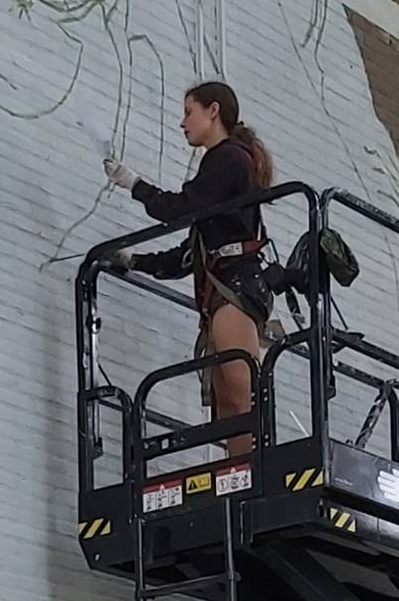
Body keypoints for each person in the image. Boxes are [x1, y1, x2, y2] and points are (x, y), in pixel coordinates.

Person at [103, 81, 274, 428]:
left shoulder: (227, 157)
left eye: (188, 112)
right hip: (227, 287)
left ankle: (246, 473)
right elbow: (189, 254)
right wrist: (137, 262)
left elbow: (182, 209)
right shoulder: (227, 164)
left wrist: (135, 185)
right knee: (228, 401)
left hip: (234, 289)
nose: (183, 123)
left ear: (213, 111)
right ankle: (239, 474)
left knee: (238, 400)